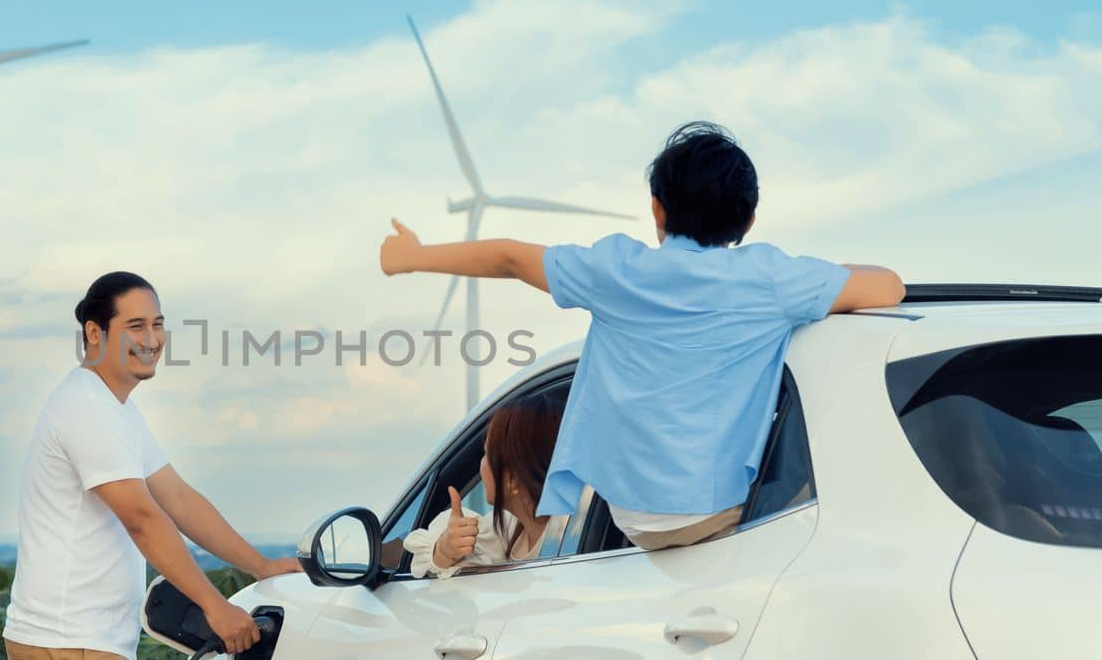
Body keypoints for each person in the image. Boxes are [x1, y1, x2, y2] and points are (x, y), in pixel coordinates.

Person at [380, 121, 905, 551]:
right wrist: (816, 277)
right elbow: (889, 286)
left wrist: (415, 257)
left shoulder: (616, 270)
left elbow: (510, 258)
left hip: (631, 516)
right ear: (749, 218)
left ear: (657, 208)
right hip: (716, 512)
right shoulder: (769, 279)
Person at [2, 271, 301, 660]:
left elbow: (178, 499)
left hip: (80, 647)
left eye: (158, 324)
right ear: (95, 333)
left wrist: (260, 565)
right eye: (136, 326)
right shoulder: (87, 408)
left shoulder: (116, 409)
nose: (153, 339)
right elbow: (143, 519)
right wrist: (215, 606)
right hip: (72, 648)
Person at [406, 393, 571, 577]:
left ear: (512, 479)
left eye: (486, 454)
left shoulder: (562, 534)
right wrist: (445, 550)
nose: (480, 466)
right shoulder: (510, 527)